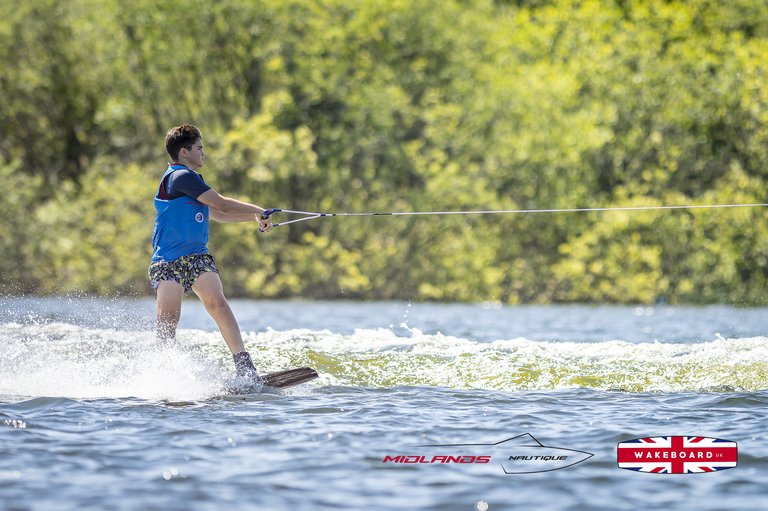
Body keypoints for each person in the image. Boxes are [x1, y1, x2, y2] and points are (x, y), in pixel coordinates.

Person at [148, 124, 271, 380]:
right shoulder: (179, 177)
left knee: (217, 303)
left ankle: (245, 368)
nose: (204, 153)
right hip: (168, 261)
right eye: (200, 148)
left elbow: (216, 214)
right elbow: (222, 203)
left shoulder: (193, 181)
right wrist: (260, 209)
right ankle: (162, 374)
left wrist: (253, 217)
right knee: (168, 322)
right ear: (184, 152)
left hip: (197, 256)